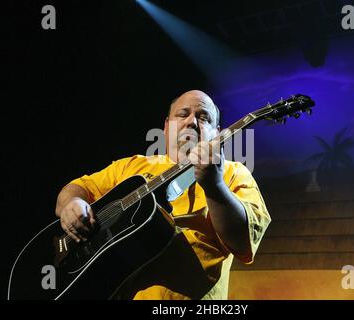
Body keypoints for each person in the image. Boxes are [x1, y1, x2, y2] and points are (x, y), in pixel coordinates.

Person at [55, 90, 271, 299]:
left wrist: (215, 185)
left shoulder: (234, 173)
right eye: (183, 114)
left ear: (216, 132)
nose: (192, 122)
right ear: (167, 127)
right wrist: (72, 203)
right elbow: (77, 188)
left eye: (203, 117)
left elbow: (244, 244)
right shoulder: (131, 166)